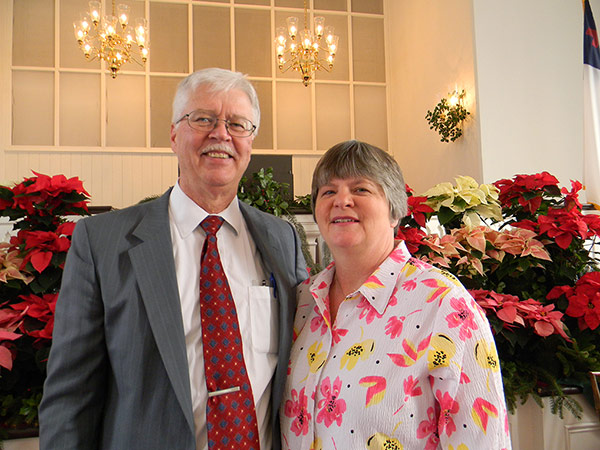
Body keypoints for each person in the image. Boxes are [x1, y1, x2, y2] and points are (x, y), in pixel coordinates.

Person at [39, 68, 307, 450]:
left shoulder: (282, 240)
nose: (221, 134)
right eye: (203, 119)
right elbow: (69, 398)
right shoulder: (102, 243)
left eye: (237, 123)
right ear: (173, 135)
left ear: (251, 141)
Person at [280, 140, 511, 449]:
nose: (342, 200)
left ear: (394, 210)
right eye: (329, 191)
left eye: (360, 189)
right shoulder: (304, 301)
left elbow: (483, 439)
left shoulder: (443, 303)